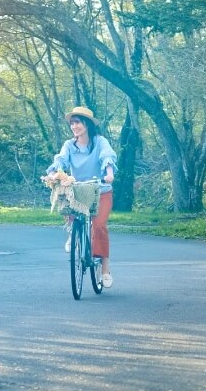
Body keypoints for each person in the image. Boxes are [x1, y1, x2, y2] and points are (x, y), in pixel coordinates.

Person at [45, 106, 117, 288]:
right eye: (72, 123)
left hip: (100, 189)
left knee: (99, 226)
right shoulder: (70, 145)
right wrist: (54, 173)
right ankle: (72, 230)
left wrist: (109, 173)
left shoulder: (99, 141)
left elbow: (107, 156)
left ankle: (105, 269)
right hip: (78, 189)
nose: (74, 126)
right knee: (66, 198)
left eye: (77, 122)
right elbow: (60, 160)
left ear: (87, 124)